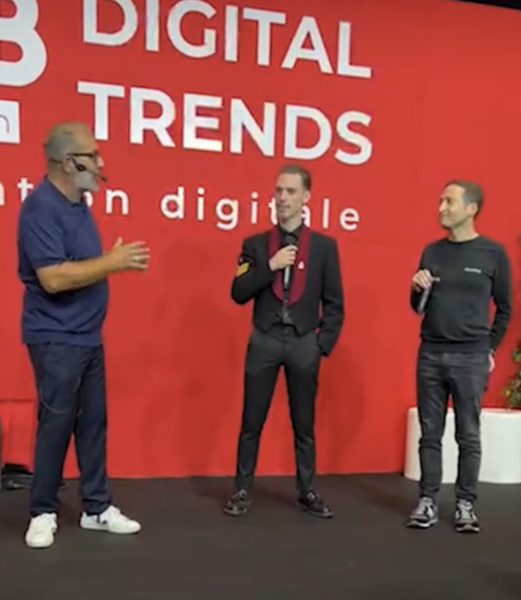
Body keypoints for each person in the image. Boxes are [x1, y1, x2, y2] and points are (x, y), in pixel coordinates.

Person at [18, 122, 151, 549]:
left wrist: (107, 260)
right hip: (55, 338)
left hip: (87, 336)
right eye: (92, 155)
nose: (100, 163)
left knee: (93, 423)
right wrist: (113, 262)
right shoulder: (40, 208)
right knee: (56, 424)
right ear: (68, 162)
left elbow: (78, 265)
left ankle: (97, 507)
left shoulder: (78, 206)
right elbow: (53, 278)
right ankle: (42, 511)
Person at [223, 164, 344, 518]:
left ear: (306, 197)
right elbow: (238, 292)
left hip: (304, 341)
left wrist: (321, 345)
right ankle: (242, 489)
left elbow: (335, 302)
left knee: (304, 423)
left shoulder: (323, 247)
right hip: (265, 338)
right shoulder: (256, 245)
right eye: (278, 191)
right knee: (252, 421)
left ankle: (307, 490)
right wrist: (270, 266)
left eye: (290, 191)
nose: (282, 198)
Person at [407, 180, 512, 533]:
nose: (441, 208)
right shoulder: (432, 252)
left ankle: (466, 503)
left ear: (471, 209)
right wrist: (417, 288)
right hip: (431, 354)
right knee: (429, 434)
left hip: (471, 358)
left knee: (468, 435)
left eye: (449, 202)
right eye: (440, 201)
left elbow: (505, 309)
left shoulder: (493, 254)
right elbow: (417, 307)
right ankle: (427, 501)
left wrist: (490, 348)